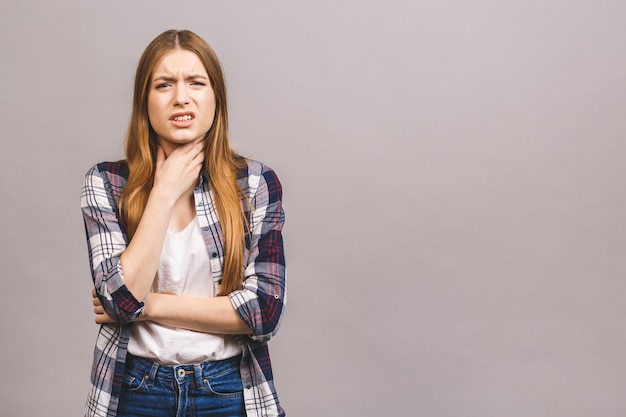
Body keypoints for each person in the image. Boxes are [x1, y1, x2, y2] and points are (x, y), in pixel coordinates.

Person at [80, 29, 286, 417]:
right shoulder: (105, 184)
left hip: (228, 389)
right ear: (145, 100)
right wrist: (164, 191)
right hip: (135, 389)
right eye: (164, 84)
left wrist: (151, 305)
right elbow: (122, 300)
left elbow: (263, 312)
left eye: (196, 82)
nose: (181, 97)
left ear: (215, 97)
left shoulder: (256, 183)